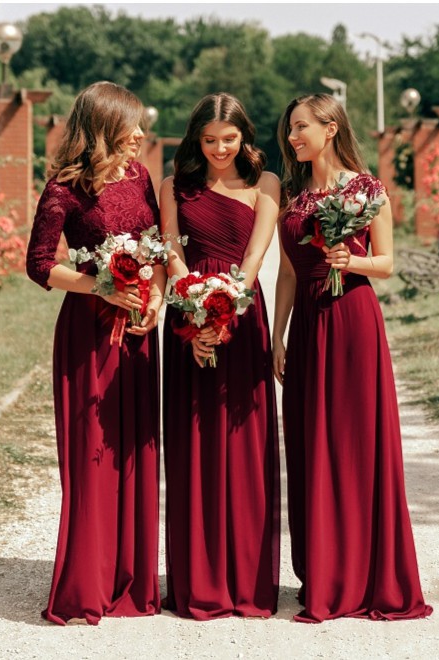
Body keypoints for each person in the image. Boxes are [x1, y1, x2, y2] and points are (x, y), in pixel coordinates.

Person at [273, 93, 433, 623]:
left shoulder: (367, 190)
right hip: (309, 324)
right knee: (311, 441)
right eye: (290, 129)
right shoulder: (294, 197)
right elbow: (290, 272)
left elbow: (387, 264)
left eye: (301, 127)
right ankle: (325, 571)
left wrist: (354, 258)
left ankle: (367, 574)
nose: (293, 137)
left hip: (352, 320)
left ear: (331, 126)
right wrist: (277, 335)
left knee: (356, 442)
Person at [26, 81, 165, 626]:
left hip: (137, 333)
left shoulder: (141, 176)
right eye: (130, 125)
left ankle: (131, 579)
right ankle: (86, 581)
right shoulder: (64, 190)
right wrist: (98, 287)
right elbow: (39, 264)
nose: (140, 134)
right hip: (88, 337)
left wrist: (152, 300)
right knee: (93, 456)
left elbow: (153, 242)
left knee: (133, 451)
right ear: (104, 127)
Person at [160, 93, 281, 620]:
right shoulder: (173, 185)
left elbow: (255, 253)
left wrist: (225, 308)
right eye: (208, 140)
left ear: (244, 137)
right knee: (194, 440)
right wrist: (194, 312)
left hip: (242, 310)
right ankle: (198, 579)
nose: (219, 149)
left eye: (228, 139)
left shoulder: (266, 184)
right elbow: (171, 249)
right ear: (195, 138)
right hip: (187, 314)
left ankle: (247, 579)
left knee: (243, 442)